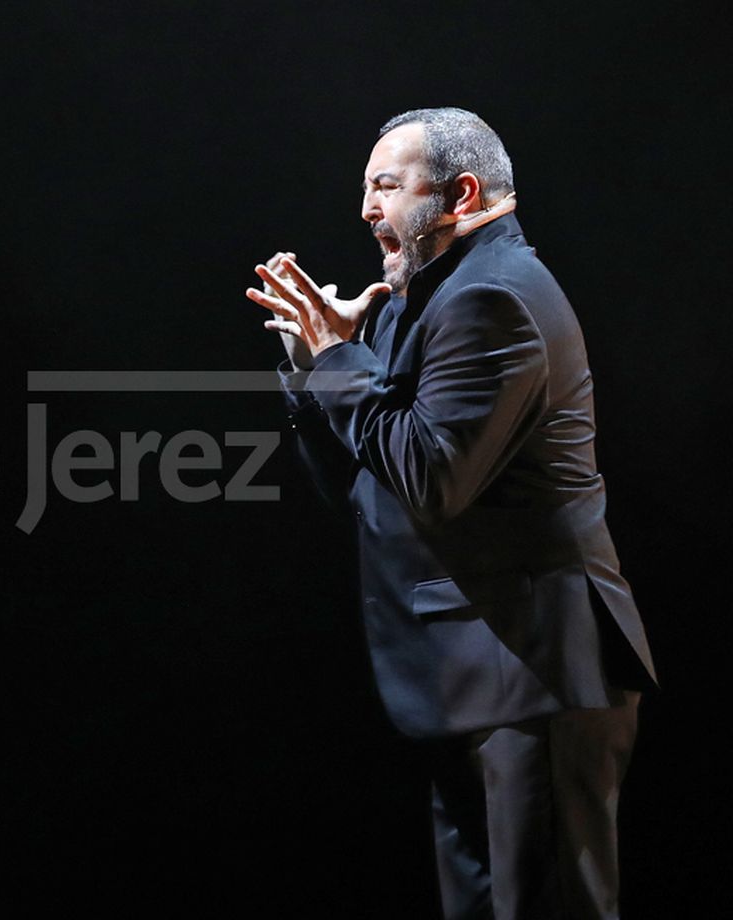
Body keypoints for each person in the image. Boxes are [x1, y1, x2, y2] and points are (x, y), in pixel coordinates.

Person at [246, 107, 656, 919]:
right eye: (366, 188)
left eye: (388, 186)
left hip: (536, 670)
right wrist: (311, 369)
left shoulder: (491, 300)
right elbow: (375, 489)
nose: (367, 210)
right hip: (478, 677)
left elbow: (433, 475)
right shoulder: (421, 300)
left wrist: (340, 360)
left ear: (463, 194)